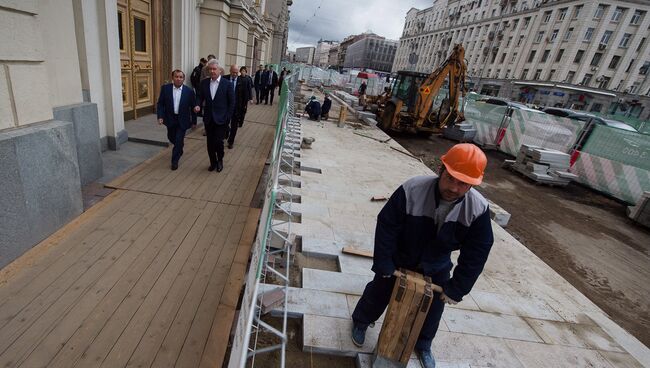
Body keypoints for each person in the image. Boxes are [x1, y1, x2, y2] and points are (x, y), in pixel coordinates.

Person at [350, 143, 494, 368]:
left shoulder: (478, 209)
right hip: (402, 255)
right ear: (441, 170)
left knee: (434, 307)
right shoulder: (412, 189)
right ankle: (361, 321)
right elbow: (388, 225)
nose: (455, 188)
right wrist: (384, 262)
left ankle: (424, 343)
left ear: (472, 184)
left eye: (463, 183)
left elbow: (477, 252)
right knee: (380, 290)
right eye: (451, 178)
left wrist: (457, 288)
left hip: (437, 264)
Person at [195, 59, 234, 172]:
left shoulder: (227, 84)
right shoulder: (204, 83)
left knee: (218, 142)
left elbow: (232, 103)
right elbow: (199, 97)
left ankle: (220, 161)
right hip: (208, 118)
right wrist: (197, 105)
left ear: (220, 70)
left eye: (214, 69)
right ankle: (213, 162)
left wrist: (228, 117)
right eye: (210, 69)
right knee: (210, 143)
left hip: (222, 119)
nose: (212, 71)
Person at [156, 69, 197, 170]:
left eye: (181, 77)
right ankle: (179, 148)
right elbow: (160, 104)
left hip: (183, 119)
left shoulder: (189, 91)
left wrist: (194, 121)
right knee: (171, 137)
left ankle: (174, 161)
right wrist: (160, 116)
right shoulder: (165, 89)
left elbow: (193, 107)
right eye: (176, 77)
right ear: (172, 78)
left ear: (183, 79)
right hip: (170, 118)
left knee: (179, 140)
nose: (178, 79)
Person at [224, 64, 253, 149]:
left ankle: (231, 141)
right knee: (224, 123)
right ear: (230, 71)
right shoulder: (224, 79)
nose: (235, 74)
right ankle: (226, 132)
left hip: (237, 108)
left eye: (237, 73)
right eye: (233, 72)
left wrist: (244, 107)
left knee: (234, 125)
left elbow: (245, 95)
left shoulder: (243, 81)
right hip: (225, 107)